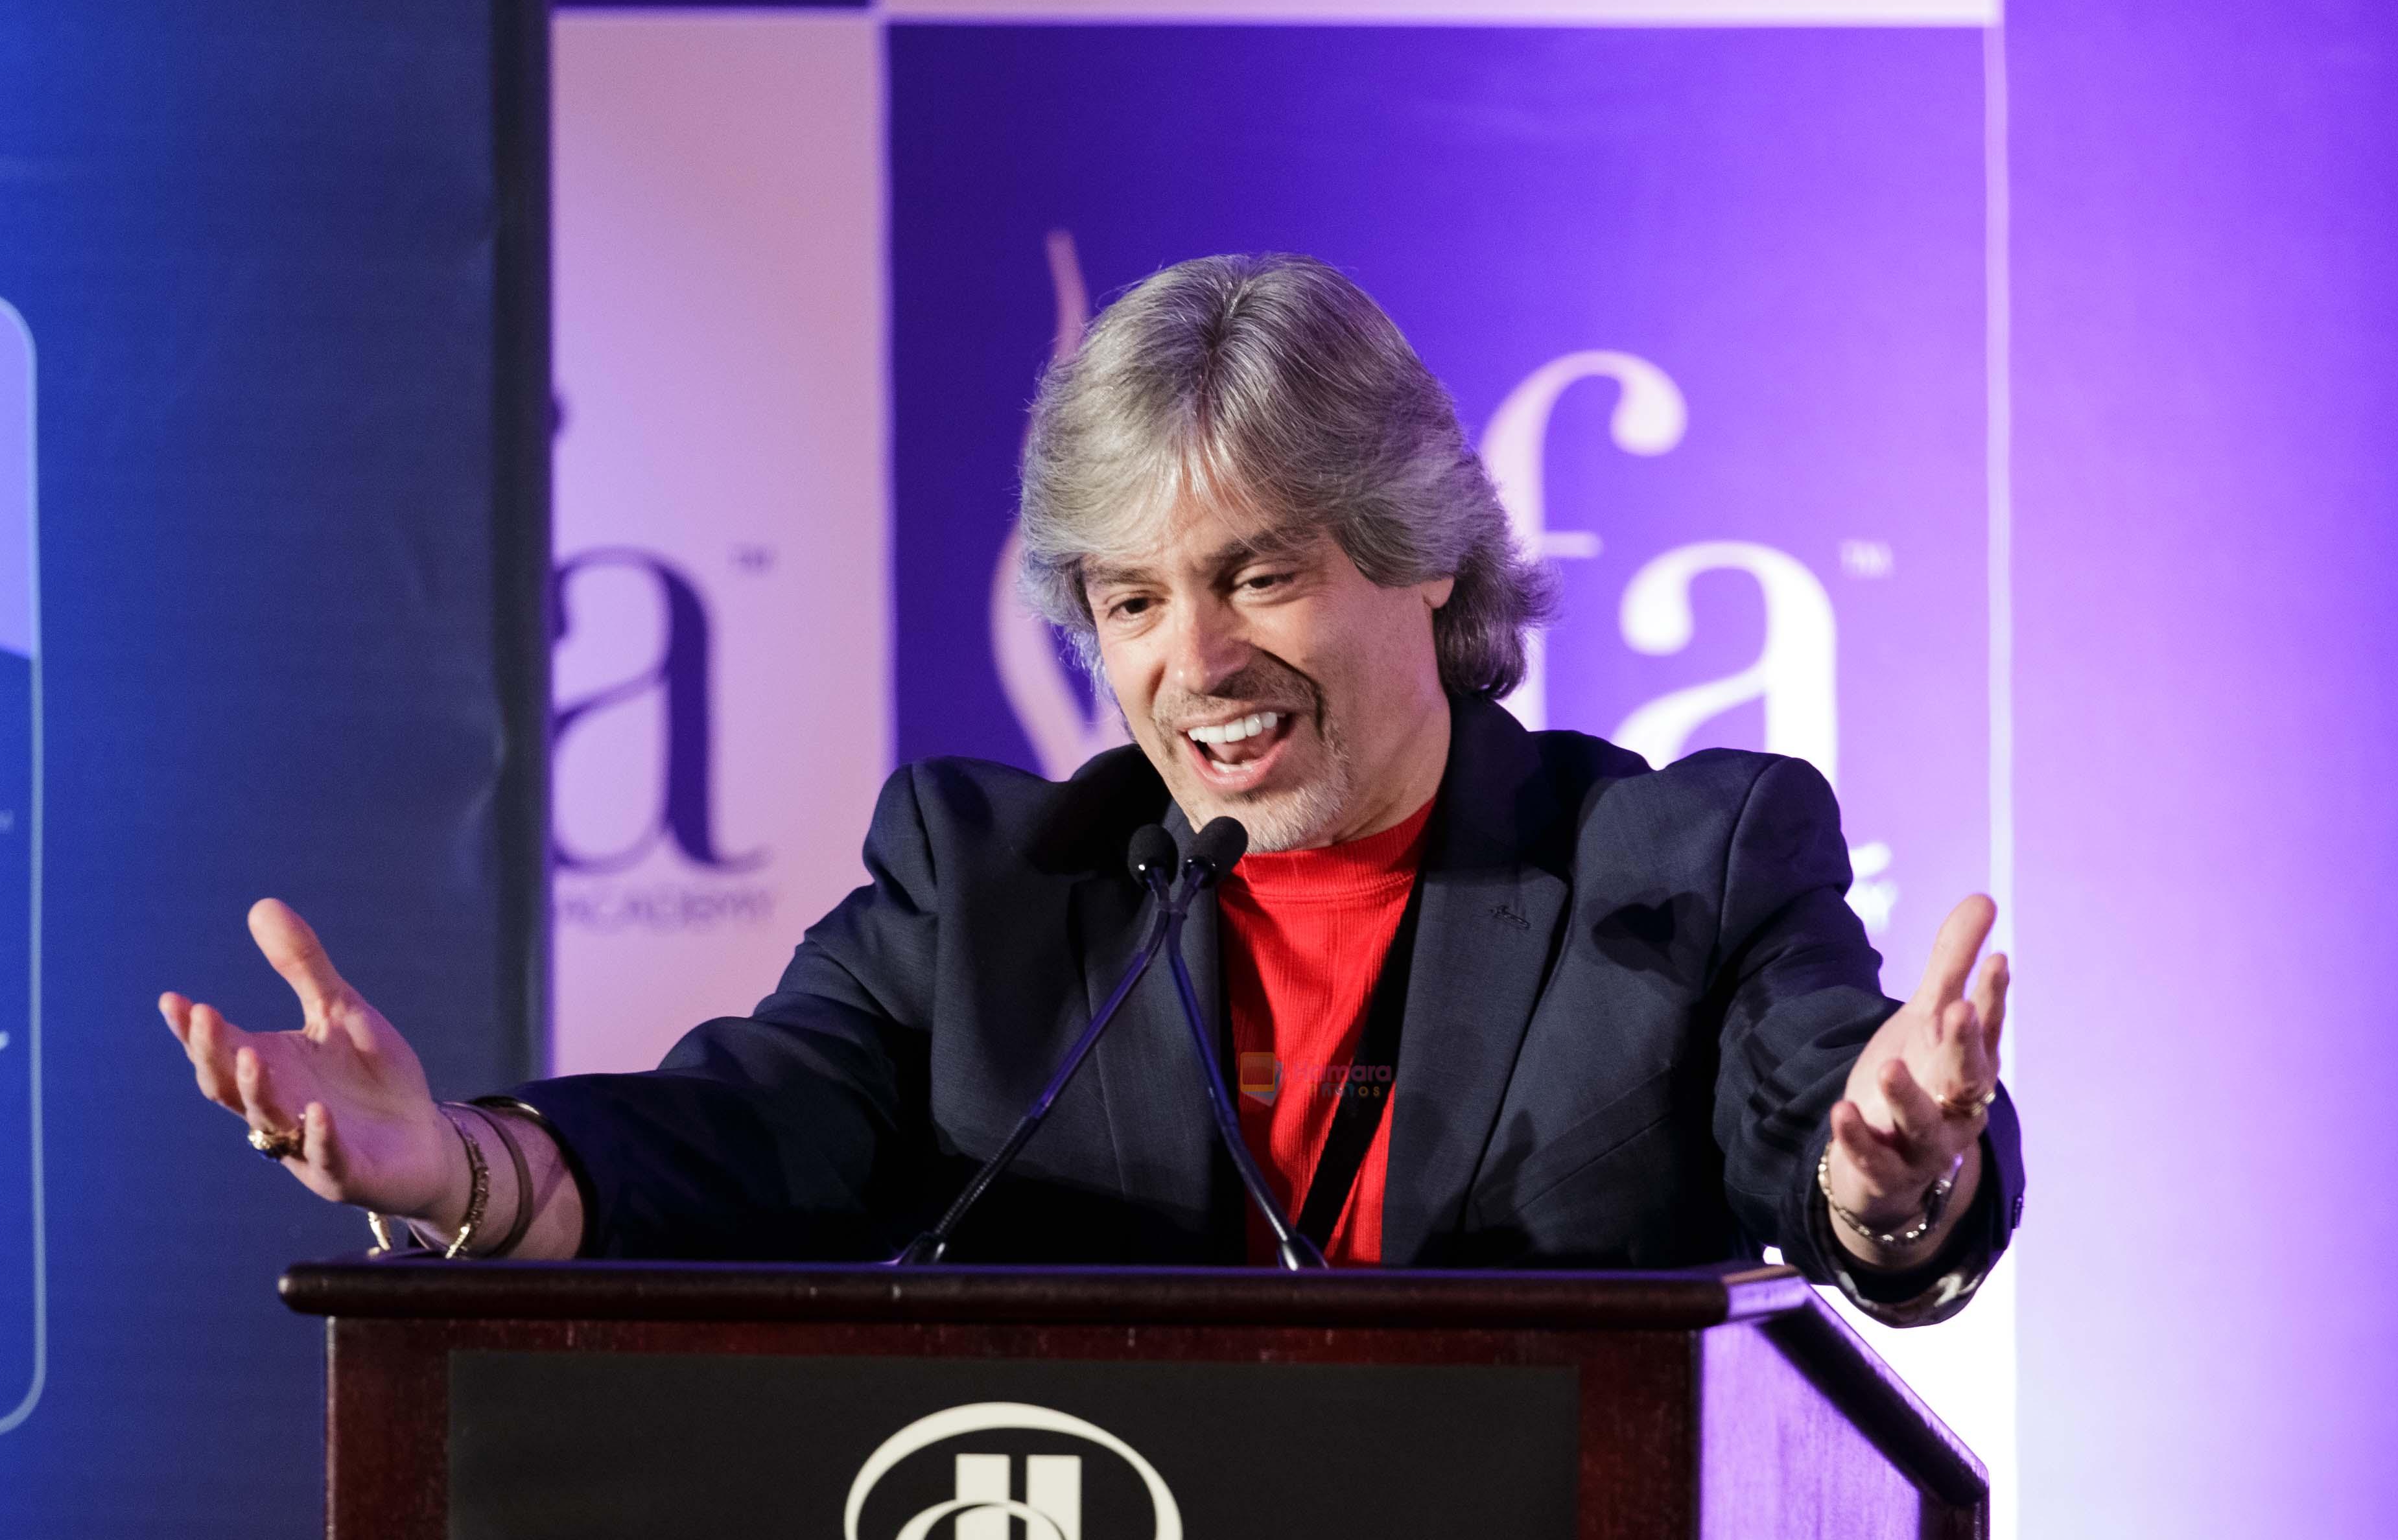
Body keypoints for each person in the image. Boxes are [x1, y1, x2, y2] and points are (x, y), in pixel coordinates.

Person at [159, 254, 2019, 1322]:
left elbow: (1833, 1131)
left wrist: (1891, 1168)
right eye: (1131, 600)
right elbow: (742, 1142)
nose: (1191, 662)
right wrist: (463, 1173)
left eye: (1260, 576)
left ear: (1428, 558)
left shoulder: (1678, 867)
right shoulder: (990, 887)